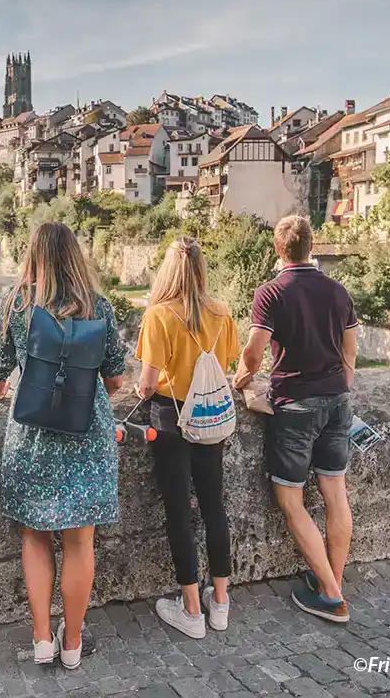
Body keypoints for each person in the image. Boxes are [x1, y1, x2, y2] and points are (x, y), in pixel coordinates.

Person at [0, 221, 127, 668]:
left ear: (34, 256)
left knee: (36, 536)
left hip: (33, 439)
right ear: (75, 256)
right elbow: (116, 378)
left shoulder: (17, 305)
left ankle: (42, 638)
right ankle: (74, 643)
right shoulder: (98, 307)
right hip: (86, 436)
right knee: (81, 544)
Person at [233, 214, 358, 623]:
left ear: (277, 249)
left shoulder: (271, 293)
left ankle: (332, 594)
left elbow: (254, 352)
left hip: (297, 404)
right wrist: (339, 385)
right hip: (338, 399)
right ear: (313, 246)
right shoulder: (338, 291)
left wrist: (242, 378)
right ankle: (330, 582)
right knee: (335, 493)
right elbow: (349, 352)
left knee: (291, 500)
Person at [135, 237, 240, 639]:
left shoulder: (158, 316)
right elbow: (225, 362)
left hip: (170, 418)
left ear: (168, 270)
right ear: (200, 269)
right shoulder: (222, 313)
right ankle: (221, 604)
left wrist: (147, 384)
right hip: (210, 418)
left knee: (179, 512)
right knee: (215, 507)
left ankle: (192, 611)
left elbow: (146, 385)